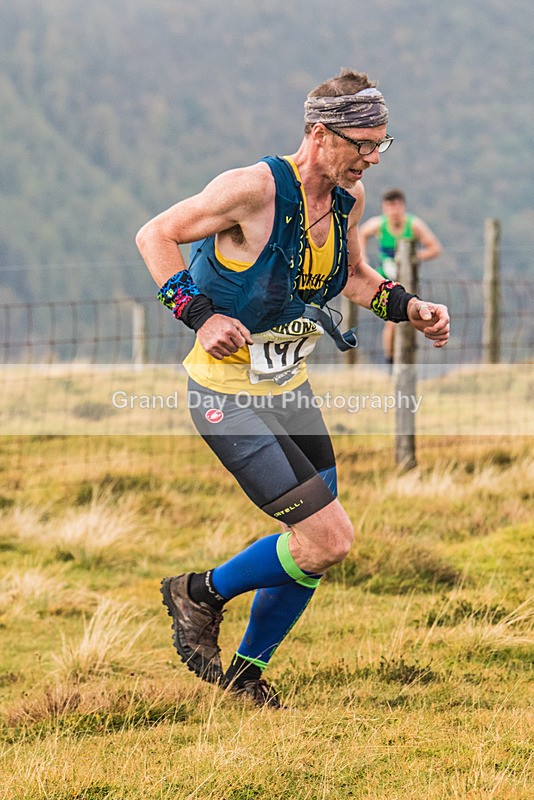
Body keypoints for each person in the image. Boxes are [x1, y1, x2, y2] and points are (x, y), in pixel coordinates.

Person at [136, 68, 450, 708]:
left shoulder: (346, 201)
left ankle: (245, 673)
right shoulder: (251, 190)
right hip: (224, 395)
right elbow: (155, 235)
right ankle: (200, 593)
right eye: (361, 144)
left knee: (316, 546)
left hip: (287, 386)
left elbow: (356, 279)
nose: (370, 158)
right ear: (319, 133)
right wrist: (200, 315)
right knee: (329, 538)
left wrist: (410, 306)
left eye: (380, 145)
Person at [358, 188, 442, 365]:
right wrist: (362, 257)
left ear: (402, 206)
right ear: (384, 208)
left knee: (408, 321)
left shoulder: (414, 225)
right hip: (384, 279)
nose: (393, 212)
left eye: (396, 207)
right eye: (389, 207)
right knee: (392, 322)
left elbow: (434, 248)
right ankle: (391, 361)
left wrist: (413, 257)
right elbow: (362, 233)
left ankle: (402, 360)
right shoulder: (379, 225)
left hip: (407, 280)